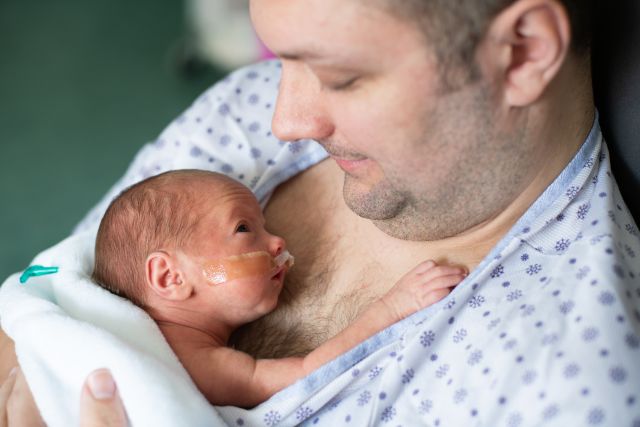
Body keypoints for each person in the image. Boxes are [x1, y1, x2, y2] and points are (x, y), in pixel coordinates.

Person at [1, 0, 638, 425]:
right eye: (282, 57)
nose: (286, 120)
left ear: (522, 51)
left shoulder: (561, 388)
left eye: (339, 76)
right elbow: (48, 300)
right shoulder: (241, 118)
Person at [92, 169, 464, 407]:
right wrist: (395, 306)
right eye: (243, 229)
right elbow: (306, 374)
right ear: (169, 277)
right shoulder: (197, 363)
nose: (278, 242)